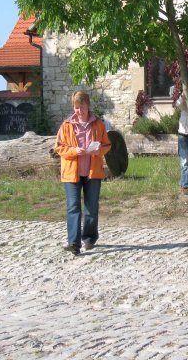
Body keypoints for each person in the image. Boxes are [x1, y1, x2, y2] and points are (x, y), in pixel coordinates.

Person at [54, 91, 111, 255]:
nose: (79, 110)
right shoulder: (66, 125)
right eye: (76, 107)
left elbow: (107, 145)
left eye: (82, 107)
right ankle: (73, 242)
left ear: (88, 105)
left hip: (93, 172)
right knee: (73, 207)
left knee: (91, 208)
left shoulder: (98, 124)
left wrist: (98, 150)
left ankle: (89, 238)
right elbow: (59, 147)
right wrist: (73, 151)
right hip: (72, 173)